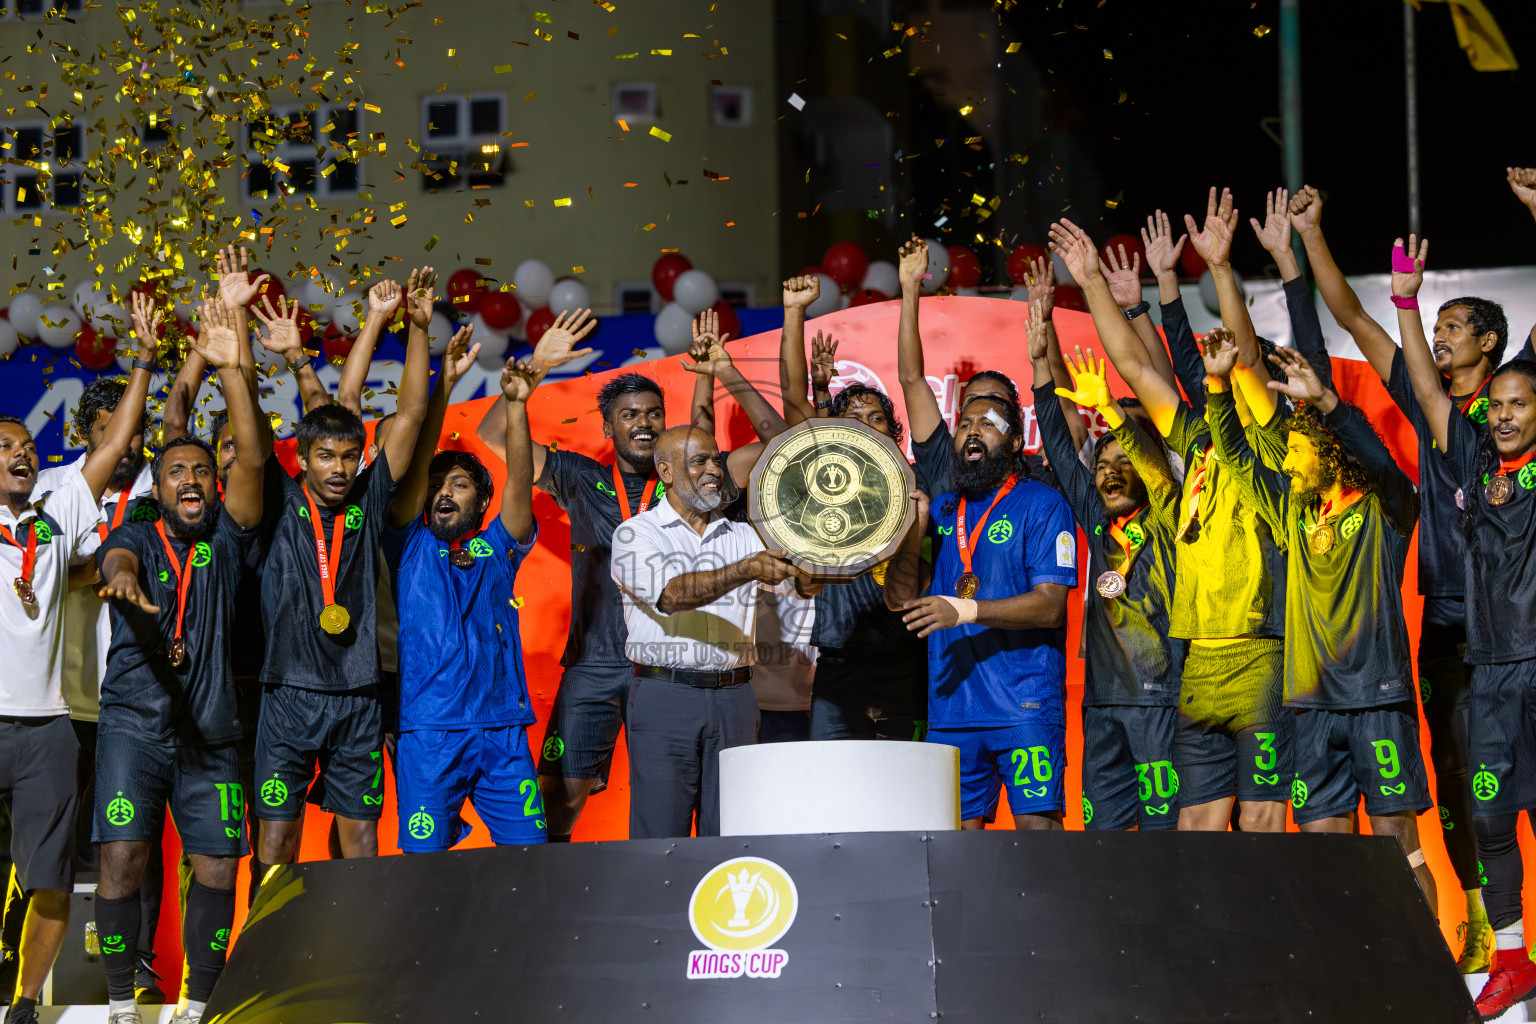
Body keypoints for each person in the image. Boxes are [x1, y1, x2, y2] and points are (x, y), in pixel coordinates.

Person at [1292, 185, 1534, 972]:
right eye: (1434, 327)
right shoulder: (1428, 397)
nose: (1439, 337)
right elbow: (1355, 318)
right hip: (1445, 620)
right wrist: (1313, 235)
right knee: (1460, 777)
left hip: (1515, 618)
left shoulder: (1519, 400)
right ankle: (1476, 920)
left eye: (1453, 328)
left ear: (1491, 343)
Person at [485, 311, 785, 842]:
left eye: (652, 413)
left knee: (701, 810)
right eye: (628, 415)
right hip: (599, 660)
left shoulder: (702, 487)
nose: (643, 423)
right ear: (609, 427)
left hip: (679, 664)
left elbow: (749, 444)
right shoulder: (581, 477)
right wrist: (532, 374)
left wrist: (709, 373)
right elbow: (496, 437)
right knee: (559, 799)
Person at [1050, 202, 1293, 833]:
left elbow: (1244, 363)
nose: (1228, 373)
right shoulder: (1191, 447)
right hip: (1200, 666)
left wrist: (1217, 267)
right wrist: (1093, 283)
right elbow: (1133, 367)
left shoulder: (1269, 446)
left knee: (1264, 827)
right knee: (1193, 838)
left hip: (1260, 656)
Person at [1204, 331, 1435, 898]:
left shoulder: (1386, 510)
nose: (1287, 461)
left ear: (1330, 451)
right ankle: (1347, 975)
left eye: (1297, 450)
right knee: (1325, 846)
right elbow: (1235, 456)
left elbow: (1380, 462)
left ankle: (1426, 977)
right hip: (1309, 702)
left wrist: (1330, 404)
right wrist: (1216, 386)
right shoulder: (1293, 512)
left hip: (1375, 697)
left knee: (1395, 840)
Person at [91, 299, 268, 1024]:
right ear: (157, 489)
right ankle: (116, 1005)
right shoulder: (136, 529)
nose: (191, 479)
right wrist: (126, 574)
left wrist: (230, 369)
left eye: (201, 470)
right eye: (176, 473)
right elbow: (119, 552)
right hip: (134, 724)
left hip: (212, 732)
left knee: (220, 866)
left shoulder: (228, 537)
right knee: (122, 861)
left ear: (213, 486)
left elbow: (251, 454)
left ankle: (200, 1003)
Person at [249, 267, 432, 895]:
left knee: (361, 837)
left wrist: (418, 330)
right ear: (301, 458)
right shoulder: (276, 499)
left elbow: (408, 413)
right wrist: (263, 361)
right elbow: (268, 431)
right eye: (324, 456)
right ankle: (263, 962)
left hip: (358, 694)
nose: (337, 467)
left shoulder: (368, 498)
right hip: (288, 693)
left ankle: (366, 961)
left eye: (348, 457)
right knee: (276, 839)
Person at [0, 292, 155, 1024]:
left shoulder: (60, 512)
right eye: (2, 448)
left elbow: (115, 445)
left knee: (50, 878)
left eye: (24, 446)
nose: (20, 453)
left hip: (48, 731)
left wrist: (147, 364)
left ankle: (26, 1004)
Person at [1394, 234, 1536, 1017]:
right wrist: (1410, 305)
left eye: (1523, 404)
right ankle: (1510, 956)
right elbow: (1424, 387)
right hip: (1482, 667)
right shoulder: (1474, 458)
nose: (1507, 415)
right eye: (1502, 405)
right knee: (1484, 812)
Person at [383, 323, 559, 852]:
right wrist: (444, 386)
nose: (443, 493)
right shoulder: (408, 541)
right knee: (424, 868)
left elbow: (520, 483)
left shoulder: (498, 547)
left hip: (504, 731)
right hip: (429, 733)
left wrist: (519, 407)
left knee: (530, 861)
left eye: (459, 485)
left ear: (482, 503)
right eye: (436, 485)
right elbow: (412, 453)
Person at [610, 424, 822, 839]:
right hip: (664, 697)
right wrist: (745, 569)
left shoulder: (744, 534)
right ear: (666, 472)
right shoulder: (636, 534)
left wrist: (820, 542)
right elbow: (670, 596)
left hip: (736, 699)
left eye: (716, 459)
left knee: (730, 831)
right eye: (699, 461)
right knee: (660, 835)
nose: (715, 470)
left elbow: (804, 584)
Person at [885, 385, 1078, 830]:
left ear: (1014, 442)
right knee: (953, 858)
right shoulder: (943, 508)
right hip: (952, 712)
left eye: (988, 424)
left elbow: (1050, 607)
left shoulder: (1043, 504)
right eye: (965, 425)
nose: (973, 432)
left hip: (1023, 707)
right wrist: (913, 533)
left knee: (1038, 841)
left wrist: (965, 611)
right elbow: (899, 598)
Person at [1037, 324, 1184, 832]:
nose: (1111, 473)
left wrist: (1123, 423)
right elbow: (1059, 443)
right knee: (1104, 842)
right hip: (1101, 701)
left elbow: (1153, 458)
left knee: (1168, 844)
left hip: (1163, 698)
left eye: (1126, 460)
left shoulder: (1171, 515)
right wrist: (1040, 366)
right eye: (1102, 464)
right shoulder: (1096, 520)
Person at [776, 277, 927, 741]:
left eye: (876, 418)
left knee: (908, 808)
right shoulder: (827, 479)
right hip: (838, 670)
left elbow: (911, 377)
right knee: (834, 806)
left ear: (894, 432)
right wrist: (794, 312)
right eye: (852, 420)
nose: (865, 425)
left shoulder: (915, 482)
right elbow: (792, 402)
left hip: (907, 668)